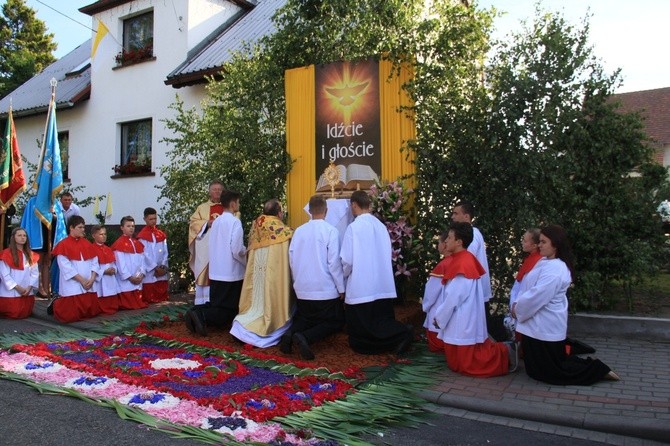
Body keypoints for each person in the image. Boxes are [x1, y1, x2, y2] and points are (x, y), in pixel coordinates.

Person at [511, 224, 619, 385]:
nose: (539, 245)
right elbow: (530, 287)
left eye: (543, 242)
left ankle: (597, 370)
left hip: (543, 325)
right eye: (539, 241)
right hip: (535, 325)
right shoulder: (545, 262)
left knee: (552, 371)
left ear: (556, 244)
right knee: (537, 369)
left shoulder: (556, 269)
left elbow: (538, 295)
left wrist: (517, 308)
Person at [432, 222, 512, 377]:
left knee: (470, 365)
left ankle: (503, 351)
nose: (446, 241)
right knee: (459, 363)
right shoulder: (463, 259)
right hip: (460, 316)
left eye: (449, 237)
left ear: (459, 242)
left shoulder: (463, 262)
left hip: (462, 318)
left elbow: (453, 297)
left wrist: (440, 317)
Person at [340, 190, 413, 355]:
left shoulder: (353, 228)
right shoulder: (381, 227)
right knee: (381, 322)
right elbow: (388, 254)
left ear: (354, 205)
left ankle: (403, 334)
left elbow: (347, 260)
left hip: (361, 285)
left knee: (361, 334)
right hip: (381, 284)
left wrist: (344, 275)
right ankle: (400, 335)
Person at [282, 195, 345, 360]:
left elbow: (292, 259)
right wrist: (341, 288)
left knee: (306, 318)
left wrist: (297, 283)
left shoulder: (299, 231)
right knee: (335, 321)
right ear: (326, 210)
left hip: (303, 289)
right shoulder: (331, 231)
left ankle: (290, 334)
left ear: (309, 211)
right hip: (324, 290)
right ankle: (306, 338)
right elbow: (334, 264)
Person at [230, 199, 294, 347]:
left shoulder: (255, 227)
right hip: (273, 279)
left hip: (257, 277)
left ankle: (242, 328)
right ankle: (259, 333)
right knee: (271, 306)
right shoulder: (284, 232)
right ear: (279, 213)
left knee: (254, 306)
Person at [185, 191, 246, 336]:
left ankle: (197, 312)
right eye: (238, 202)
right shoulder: (235, 222)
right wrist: (246, 258)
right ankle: (202, 316)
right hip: (231, 272)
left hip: (216, 270)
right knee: (228, 308)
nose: (238, 205)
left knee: (217, 302)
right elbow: (236, 249)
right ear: (233, 204)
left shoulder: (216, 221)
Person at [451, 202, 493, 333]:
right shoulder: (470, 233)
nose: (452, 217)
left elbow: (466, 258)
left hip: (474, 291)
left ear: (466, 216)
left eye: (456, 213)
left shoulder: (472, 235)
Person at [50, 216, 102, 323]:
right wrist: (82, 280)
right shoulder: (63, 245)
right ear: (71, 228)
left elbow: (95, 262)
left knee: (91, 312)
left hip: (89, 283)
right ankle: (54, 304)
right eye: (80, 227)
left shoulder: (87, 243)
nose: (83, 230)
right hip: (74, 284)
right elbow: (66, 267)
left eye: (83, 227)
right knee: (70, 316)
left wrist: (92, 279)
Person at [189, 180, 225, 305]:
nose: (217, 192)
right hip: (205, 249)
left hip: (222, 249)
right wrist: (207, 223)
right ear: (209, 192)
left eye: (219, 189)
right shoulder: (202, 207)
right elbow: (193, 223)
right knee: (205, 274)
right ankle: (202, 302)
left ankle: (218, 303)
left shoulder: (228, 207)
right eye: (214, 189)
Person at [505, 228, 543, 340]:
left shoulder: (538, 261)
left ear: (535, 245)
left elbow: (526, 286)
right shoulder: (531, 258)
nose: (522, 242)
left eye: (525, 241)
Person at [422, 230, 453, 352]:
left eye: (439, 242)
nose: (438, 245)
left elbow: (431, 293)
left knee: (437, 346)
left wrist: (425, 307)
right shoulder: (456, 261)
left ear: (445, 244)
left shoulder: (443, 265)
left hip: (438, 311)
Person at [0, 227, 39, 319]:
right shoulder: (6, 254)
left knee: (25, 313)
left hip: (27, 290)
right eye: (19, 235)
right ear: (14, 237)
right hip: (11, 292)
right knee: (13, 313)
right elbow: (4, 275)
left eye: (24, 236)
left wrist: (29, 288)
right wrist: (18, 288)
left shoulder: (30, 254)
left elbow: (35, 273)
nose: (23, 238)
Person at [111, 216, 148, 310]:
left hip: (137, 278)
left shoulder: (137, 243)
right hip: (127, 280)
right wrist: (130, 277)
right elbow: (120, 265)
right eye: (128, 226)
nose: (131, 228)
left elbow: (142, 261)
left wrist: (142, 274)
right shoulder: (119, 244)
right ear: (122, 228)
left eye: (133, 226)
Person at [137, 207, 169, 303]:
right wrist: (155, 268)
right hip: (151, 269)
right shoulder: (142, 236)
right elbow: (144, 254)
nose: (153, 221)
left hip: (161, 267)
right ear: (145, 219)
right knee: (150, 286)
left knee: (161, 289)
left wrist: (163, 266)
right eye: (151, 219)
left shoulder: (161, 234)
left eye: (155, 218)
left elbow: (165, 251)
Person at [91, 225, 120, 315]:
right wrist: (104, 271)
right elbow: (92, 267)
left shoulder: (108, 249)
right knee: (101, 292)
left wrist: (113, 269)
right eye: (101, 234)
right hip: (100, 278)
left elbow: (114, 263)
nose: (104, 236)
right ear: (93, 236)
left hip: (110, 277)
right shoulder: (91, 249)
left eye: (105, 234)